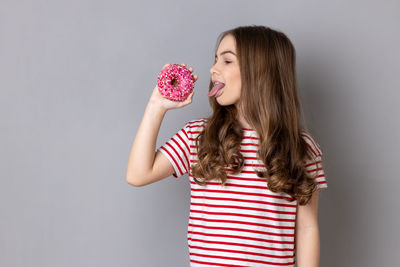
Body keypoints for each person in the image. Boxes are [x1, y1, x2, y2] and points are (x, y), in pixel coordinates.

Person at [126, 25, 328, 267]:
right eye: (215, 60)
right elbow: (138, 174)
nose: (213, 69)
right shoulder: (198, 136)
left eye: (227, 61)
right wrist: (156, 105)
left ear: (260, 71)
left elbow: (307, 228)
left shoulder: (301, 148)